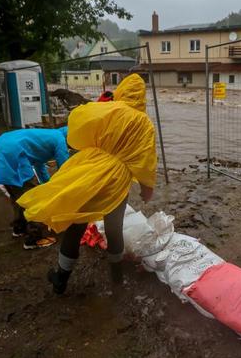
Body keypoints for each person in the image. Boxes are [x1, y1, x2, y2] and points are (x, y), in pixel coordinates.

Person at [17, 74, 156, 294]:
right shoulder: (146, 124)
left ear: (121, 90)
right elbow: (146, 161)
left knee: (76, 225)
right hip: (118, 179)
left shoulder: (110, 110)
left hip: (92, 169)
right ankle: (117, 279)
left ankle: (61, 279)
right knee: (114, 229)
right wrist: (147, 189)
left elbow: (79, 116)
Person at [0, 127, 69, 249]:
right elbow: (65, 170)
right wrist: (64, 192)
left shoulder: (48, 136)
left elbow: (39, 166)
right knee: (33, 198)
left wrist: (47, 186)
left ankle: (19, 228)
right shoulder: (60, 140)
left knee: (18, 196)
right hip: (13, 152)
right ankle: (34, 238)